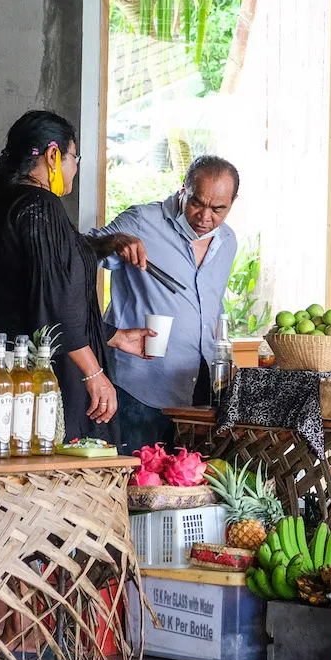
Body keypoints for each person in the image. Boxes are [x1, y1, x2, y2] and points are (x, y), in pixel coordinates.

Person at [0, 110, 154, 442]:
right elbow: (55, 302)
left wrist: (112, 335)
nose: (75, 167)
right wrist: (94, 373)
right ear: (54, 155)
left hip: (4, 364)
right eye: (75, 157)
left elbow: (33, 291)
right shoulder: (41, 206)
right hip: (41, 373)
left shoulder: (5, 204)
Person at [90, 155, 239, 451]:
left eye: (218, 208)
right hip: (140, 387)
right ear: (183, 189)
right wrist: (113, 242)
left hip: (199, 388)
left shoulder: (228, 241)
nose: (205, 216)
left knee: (186, 488)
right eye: (197, 202)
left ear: (232, 202)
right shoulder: (142, 221)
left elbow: (211, 306)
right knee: (136, 487)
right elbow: (76, 254)